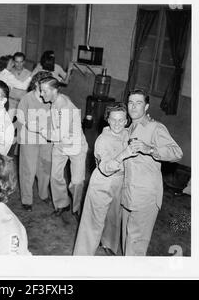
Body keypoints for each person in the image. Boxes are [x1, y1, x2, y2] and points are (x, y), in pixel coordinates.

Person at [122, 89, 183, 256]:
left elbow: (177, 153)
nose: (133, 107)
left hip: (145, 196)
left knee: (135, 248)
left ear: (146, 106)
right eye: (130, 102)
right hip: (128, 194)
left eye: (138, 103)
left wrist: (149, 149)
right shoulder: (127, 129)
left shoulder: (155, 127)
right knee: (127, 242)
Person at [73, 103, 137, 256]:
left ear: (126, 121)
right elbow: (105, 168)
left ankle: (108, 244)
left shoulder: (126, 133)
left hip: (119, 182)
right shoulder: (102, 140)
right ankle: (82, 257)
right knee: (92, 222)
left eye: (121, 120)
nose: (117, 123)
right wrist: (125, 153)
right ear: (107, 119)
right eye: (113, 119)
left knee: (113, 218)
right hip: (102, 182)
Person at [39, 77, 88, 217]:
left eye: (44, 91)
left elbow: (59, 134)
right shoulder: (56, 99)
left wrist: (41, 130)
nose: (41, 94)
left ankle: (77, 208)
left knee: (77, 182)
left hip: (75, 145)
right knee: (55, 176)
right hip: (61, 145)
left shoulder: (64, 106)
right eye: (41, 90)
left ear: (54, 90)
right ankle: (62, 204)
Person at [16, 71, 53, 211]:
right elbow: (20, 118)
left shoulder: (51, 98)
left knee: (45, 168)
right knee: (28, 169)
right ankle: (27, 199)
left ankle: (43, 194)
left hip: (47, 139)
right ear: (36, 84)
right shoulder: (27, 99)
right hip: (29, 138)